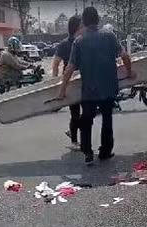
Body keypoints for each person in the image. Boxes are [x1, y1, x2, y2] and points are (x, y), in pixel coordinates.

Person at [57, 7, 133, 165]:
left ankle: (88, 152)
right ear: (98, 19)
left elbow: (69, 68)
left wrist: (62, 90)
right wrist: (129, 72)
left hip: (89, 90)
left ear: (84, 22)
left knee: (87, 120)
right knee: (107, 119)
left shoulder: (79, 41)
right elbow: (124, 55)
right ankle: (105, 152)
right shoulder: (109, 36)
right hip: (108, 87)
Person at [52, 15, 84, 150]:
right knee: (75, 112)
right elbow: (56, 63)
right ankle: (74, 141)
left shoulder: (83, 41)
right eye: (82, 26)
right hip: (70, 81)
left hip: (83, 80)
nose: (84, 28)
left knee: (87, 111)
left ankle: (74, 132)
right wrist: (55, 81)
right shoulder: (65, 44)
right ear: (77, 28)